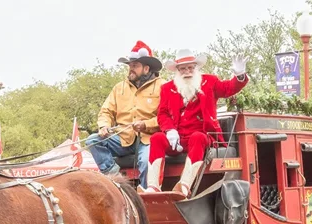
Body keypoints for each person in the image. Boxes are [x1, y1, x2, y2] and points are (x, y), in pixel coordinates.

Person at [144, 49, 249, 196]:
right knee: (156, 138)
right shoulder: (167, 89)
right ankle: (153, 186)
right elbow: (163, 114)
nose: (187, 71)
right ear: (177, 70)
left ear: (196, 68)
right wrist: (170, 131)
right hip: (177, 139)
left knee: (197, 137)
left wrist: (239, 76)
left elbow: (228, 89)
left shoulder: (210, 82)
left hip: (202, 136)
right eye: (183, 68)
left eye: (190, 68)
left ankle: (185, 185)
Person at [85, 41, 163, 187]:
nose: (131, 70)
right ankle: (117, 181)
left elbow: (167, 118)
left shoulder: (162, 86)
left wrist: (146, 124)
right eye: (130, 66)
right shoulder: (119, 88)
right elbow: (106, 111)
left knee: (147, 161)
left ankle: (147, 194)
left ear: (146, 68)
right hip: (123, 138)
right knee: (92, 140)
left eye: (135, 66)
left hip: (149, 139)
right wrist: (104, 126)